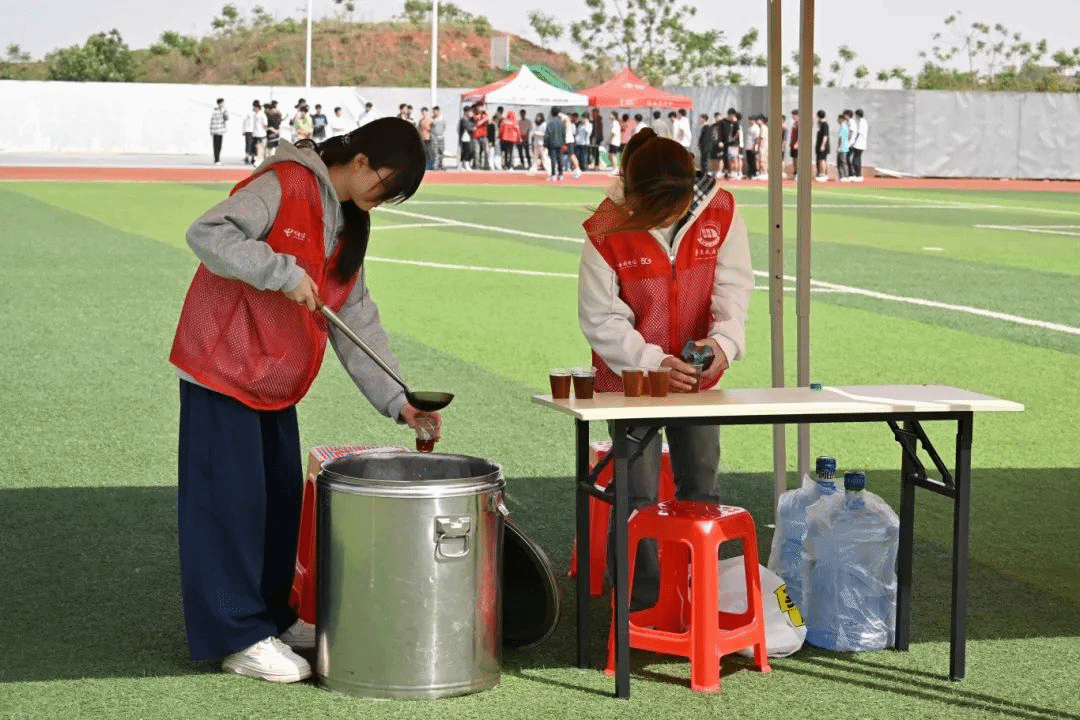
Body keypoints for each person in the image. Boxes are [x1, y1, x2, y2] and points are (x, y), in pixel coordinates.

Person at [171, 118, 431, 684]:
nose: (383, 199)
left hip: (272, 380)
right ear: (359, 160)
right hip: (223, 367)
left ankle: (270, 618)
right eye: (386, 184)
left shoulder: (349, 221)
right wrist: (280, 271)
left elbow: (355, 314)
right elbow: (208, 233)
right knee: (229, 507)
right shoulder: (285, 183)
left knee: (277, 503)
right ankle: (237, 636)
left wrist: (399, 399)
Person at [577, 127, 753, 610]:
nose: (670, 217)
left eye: (676, 206)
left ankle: (697, 598)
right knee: (635, 494)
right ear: (635, 196)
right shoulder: (605, 226)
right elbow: (600, 318)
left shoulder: (722, 208)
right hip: (631, 382)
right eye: (657, 210)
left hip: (699, 382)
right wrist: (653, 363)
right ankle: (639, 609)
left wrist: (723, 343)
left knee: (701, 486)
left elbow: (734, 288)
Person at [544, 106, 566, 181]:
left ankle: (553, 174)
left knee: (553, 158)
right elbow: (563, 133)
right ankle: (560, 173)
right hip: (559, 142)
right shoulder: (561, 122)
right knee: (559, 158)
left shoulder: (550, 122)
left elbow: (547, 134)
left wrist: (545, 143)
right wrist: (563, 141)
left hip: (552, 142)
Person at [210, 98, 228, 165]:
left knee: (219, 146)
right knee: (216, 146)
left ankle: (217, 159)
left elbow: (227, 118)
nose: (223, 104)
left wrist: (224, 112)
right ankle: (217, 160)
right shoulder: (215, 111)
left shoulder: (224, 110)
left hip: (221, 131)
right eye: (222, 103)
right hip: (216, 130)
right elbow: (213, 121)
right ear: (219, 103)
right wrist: (211, 130)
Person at [851, 108, 868, 181]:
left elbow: (858, 133)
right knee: (856, 159)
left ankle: (858, 175)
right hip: (861, 143)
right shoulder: (864, 121)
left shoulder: (861, 122)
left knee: (856, 159)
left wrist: (853, 140)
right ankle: (857, 174)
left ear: (857, 115)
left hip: (859, 144)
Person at [458, 106, 476, 170]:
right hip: (464, 138)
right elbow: (468, 127)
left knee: (468, 151)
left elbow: (473, 125)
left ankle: (464, 165)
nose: (471, 113)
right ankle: (465, 165)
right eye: (470, 112)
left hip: (468, 138)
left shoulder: (469, 120)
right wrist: (472, 128)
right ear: (466, 112)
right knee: (466, 151)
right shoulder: (463, 120)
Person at [815, 109, 830, 181]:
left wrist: (823, 145)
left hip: (823, 145)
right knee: (820, 159)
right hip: (819, 144)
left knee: (822, 159)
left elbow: (825, 136)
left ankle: (823, 173)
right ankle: (821, 173)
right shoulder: (820, 124)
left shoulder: (824, 124)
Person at [836, 113, 851, 182]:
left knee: (842, 162)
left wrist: (839, 147)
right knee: (840, 162)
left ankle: (845, 176)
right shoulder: (843, 127)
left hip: (843, 147)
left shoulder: (843, 128)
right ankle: (842, 176)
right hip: (843, 147)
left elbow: (842, 139)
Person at [431, 106, 446, 170]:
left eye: (435, 111)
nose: (434, 113)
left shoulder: (442, 119)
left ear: (438, 111)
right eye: (433, 112)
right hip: (434, 137)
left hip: (441, 136)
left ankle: (441, 165)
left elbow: (444, 127)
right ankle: (435, 165)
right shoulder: (432, 119)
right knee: (435, 152)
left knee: (441, 151)